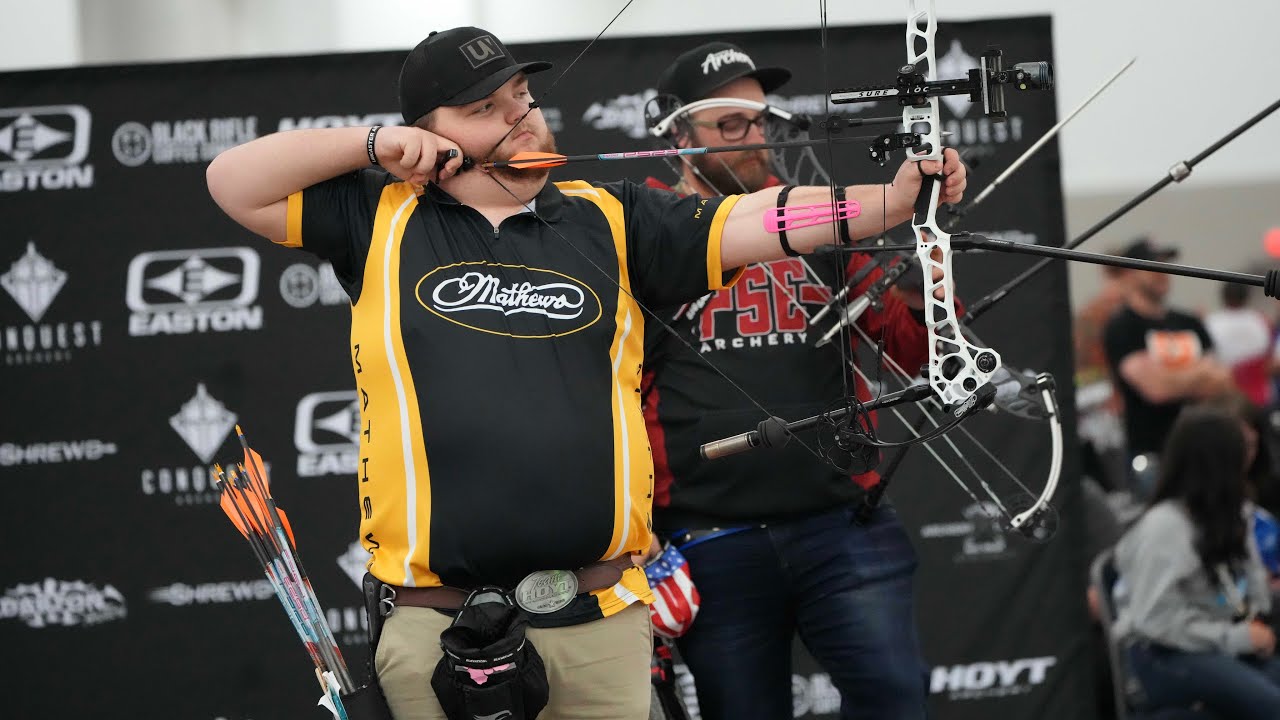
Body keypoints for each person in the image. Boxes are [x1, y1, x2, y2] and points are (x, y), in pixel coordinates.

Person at [204, 27, 967, 720]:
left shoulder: (612, 216)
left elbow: (753, 219)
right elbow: (232, 182)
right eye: (486, 109)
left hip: (599, 616)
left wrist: (892, 202)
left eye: (524, 99)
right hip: (437, 622)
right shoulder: (382, 217)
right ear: (428, 134)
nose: (522, 119)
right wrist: (374, 146)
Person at [639, 41, 946, 719]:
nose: (755, 140)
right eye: (730, 126)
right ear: (678, 135)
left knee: (896, 698)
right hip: (710, 540)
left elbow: (913, 349)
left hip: (841, 524)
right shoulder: (644, 229)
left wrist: (930, 250)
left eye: (760, 121)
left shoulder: (815, 215)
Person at [1112, 404, 1280, 719]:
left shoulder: (1233, 513)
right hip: (1164, 653)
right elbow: (1156, 623)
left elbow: (1248, 587)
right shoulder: (1164, 528)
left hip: (1219, 638)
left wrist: (1255, 621)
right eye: (1241, 452)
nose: (1249, 462)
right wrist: (1238, 638)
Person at [1102, 236, 1232, 495]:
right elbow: (1156, 389)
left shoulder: (1189, 321)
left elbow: (1223, 381)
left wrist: (1171, 376)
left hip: (1205, 451)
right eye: (1152, 265)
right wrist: (1199, 372)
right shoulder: (1122, 327)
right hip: (1154, 457)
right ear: (1129, 272)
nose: (1163, 272)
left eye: (1165, 264)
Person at [1204, 282, 1274, 408]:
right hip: (1260, 395)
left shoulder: (1212, 323)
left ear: (1223, 297)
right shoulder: (1260, 321)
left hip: (1225, 395)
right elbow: (1269, 357)